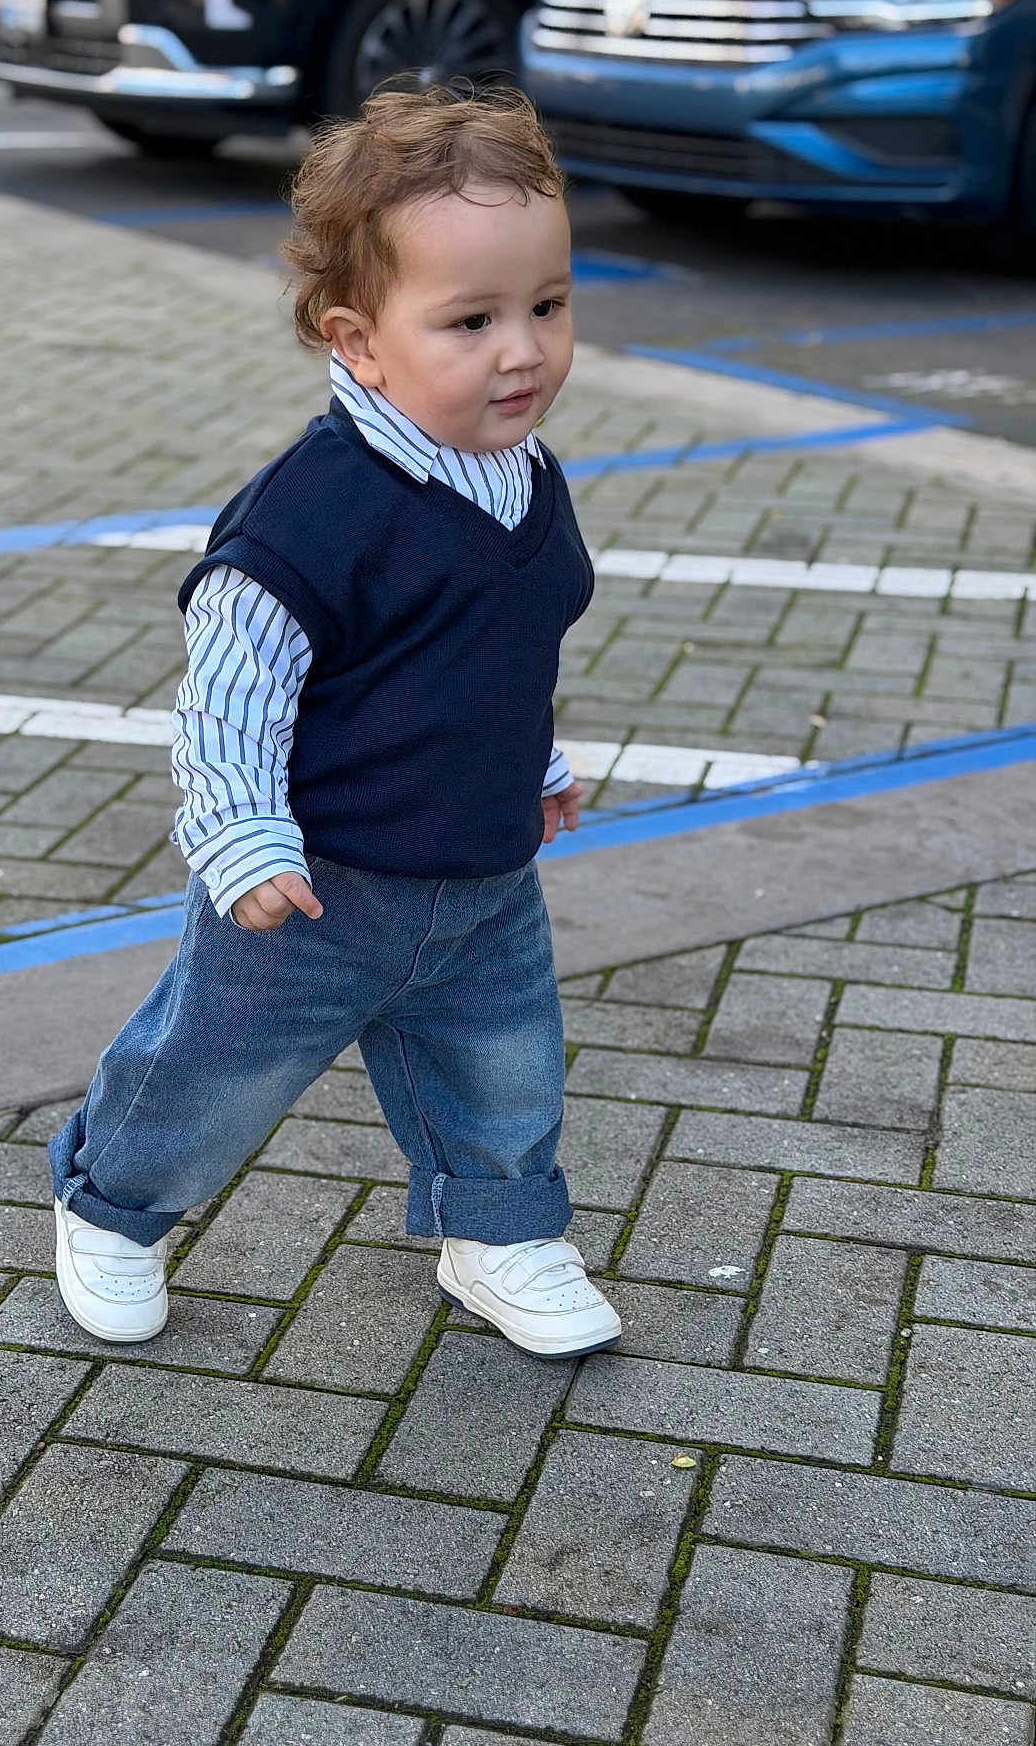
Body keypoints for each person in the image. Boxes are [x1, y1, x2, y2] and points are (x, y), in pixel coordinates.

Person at [47, 83, 622, 1361]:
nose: (522, 349)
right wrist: (244, 842)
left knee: (507, 1067)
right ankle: (113, 1206)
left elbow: (503, 654)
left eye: (549, 305)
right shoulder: (310, 520)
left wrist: (536, 761)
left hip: (480, 880)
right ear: (359, 341)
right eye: (470, 320)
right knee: (210, 1072)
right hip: (314, 891)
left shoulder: (524, 476)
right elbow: (229, 699)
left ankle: (502, 1232)